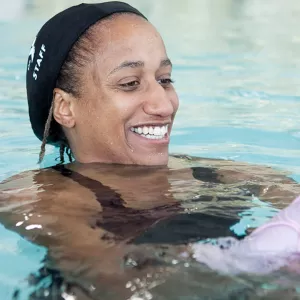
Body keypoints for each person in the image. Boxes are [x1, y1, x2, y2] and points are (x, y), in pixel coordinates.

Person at [1, 2, 300, 299]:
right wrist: (262, 270)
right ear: (65, 108)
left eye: (165, 79)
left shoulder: (218, 175)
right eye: (130, 83)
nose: (164, 105)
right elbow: (117, 281)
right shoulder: (38, 196)